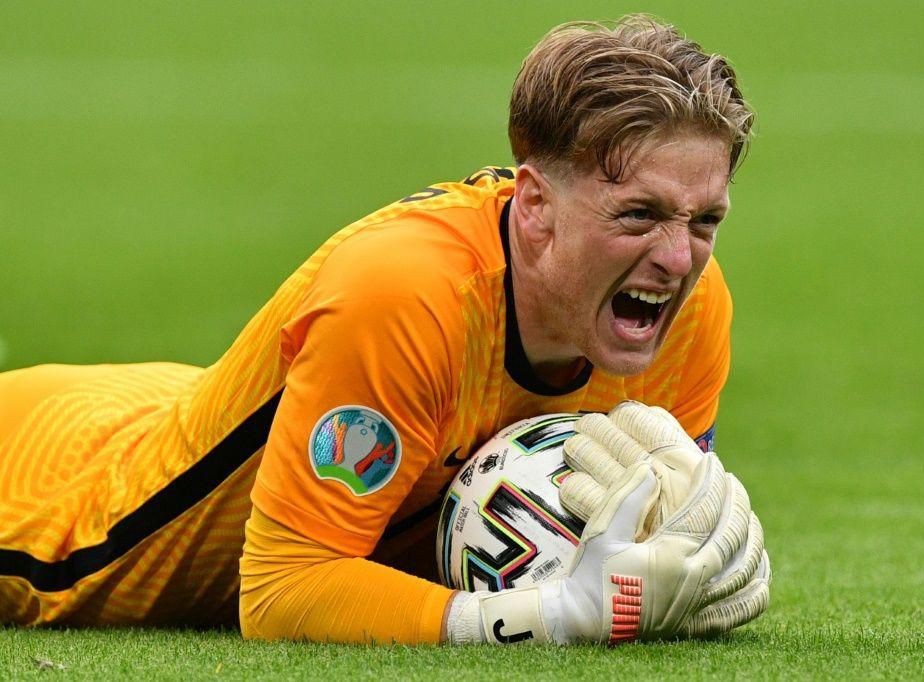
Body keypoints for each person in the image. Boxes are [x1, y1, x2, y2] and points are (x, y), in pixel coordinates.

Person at [0, 15, 769, 643]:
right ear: (533, 205)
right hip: (51, 504)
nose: (677, 258)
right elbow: (281, 588)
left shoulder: (689, 306)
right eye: (639, 214)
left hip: (162, 402)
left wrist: (693, 553)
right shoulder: (404, 295)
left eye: (705, 221)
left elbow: (644, 533)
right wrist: (546, 618)